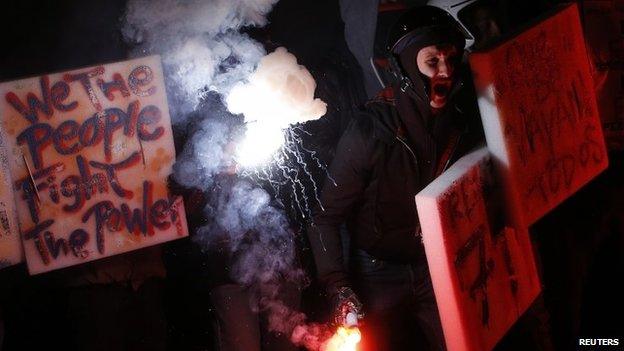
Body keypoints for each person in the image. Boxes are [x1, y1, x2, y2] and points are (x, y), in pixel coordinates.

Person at [307, 5, 484, 351]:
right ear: (405, 66)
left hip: (437, 266)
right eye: (432, 61)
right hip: (378, 274)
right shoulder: (369, 131)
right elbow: (323, 218)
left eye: (450, 58)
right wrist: (338, 288)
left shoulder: (463, 121)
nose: (444, 71)